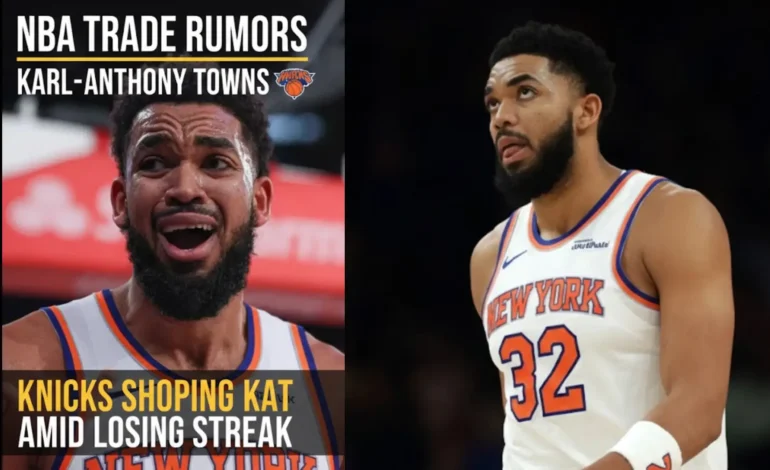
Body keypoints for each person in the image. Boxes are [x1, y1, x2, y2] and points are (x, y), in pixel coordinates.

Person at [2, 62, 343, 470]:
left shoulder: (328, 383)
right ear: (121, 202)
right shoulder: (27, 365)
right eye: (153, 163)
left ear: (261, 201)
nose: (184, 188)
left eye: (216, 162)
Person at [469, 22, 733, 470]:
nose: (502, 117)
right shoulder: (490, 255)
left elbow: (699, 407)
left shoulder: (668, 217)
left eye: (525, 93)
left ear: (586, 111)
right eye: (493, 102)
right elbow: (528, 428)